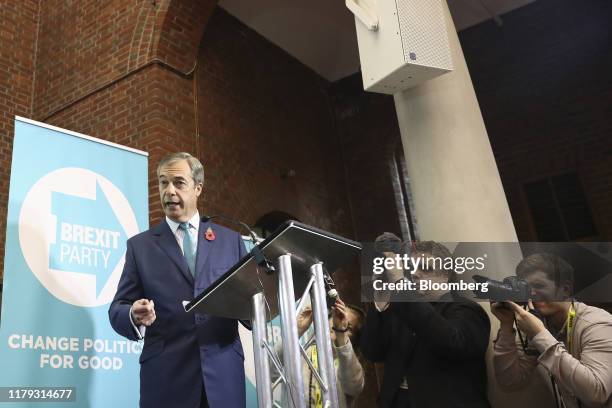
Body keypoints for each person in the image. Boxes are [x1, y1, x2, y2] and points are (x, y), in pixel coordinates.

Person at [108, 152, 248, 408]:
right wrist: (133, 314)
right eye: (163, 183)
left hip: (223, 378)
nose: (169, 191)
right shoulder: (140, 247)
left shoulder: (231, 241)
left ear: (198, 188)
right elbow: (117, 309)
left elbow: (255, 304)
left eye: (178, 183)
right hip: (166, 380)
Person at [361, 235, 491, 408]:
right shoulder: (403, 309)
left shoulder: (466, 309)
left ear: (445, 275)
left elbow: (449, 342)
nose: (415, 274)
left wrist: (401, 285)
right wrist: (380, 300)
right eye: (411, 268)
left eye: (424, 268)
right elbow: (373, 352)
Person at [491, 253, 612, 408]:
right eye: (526, 288)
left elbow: (597, 394)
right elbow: (510, 381)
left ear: (566, 290)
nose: (531, 293)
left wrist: (540, 335)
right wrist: (506, 325)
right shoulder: (539, 324)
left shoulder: (596, 323)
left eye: (539, 286)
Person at [274, 297, 365, 408]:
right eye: (337, 317)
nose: (338, 323)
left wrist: (341, 333)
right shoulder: (302, 354)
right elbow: (271, 370)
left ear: (355, 338)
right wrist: (296, 330)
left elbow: (353, 386)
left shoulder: (350, 367)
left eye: (348, 326)